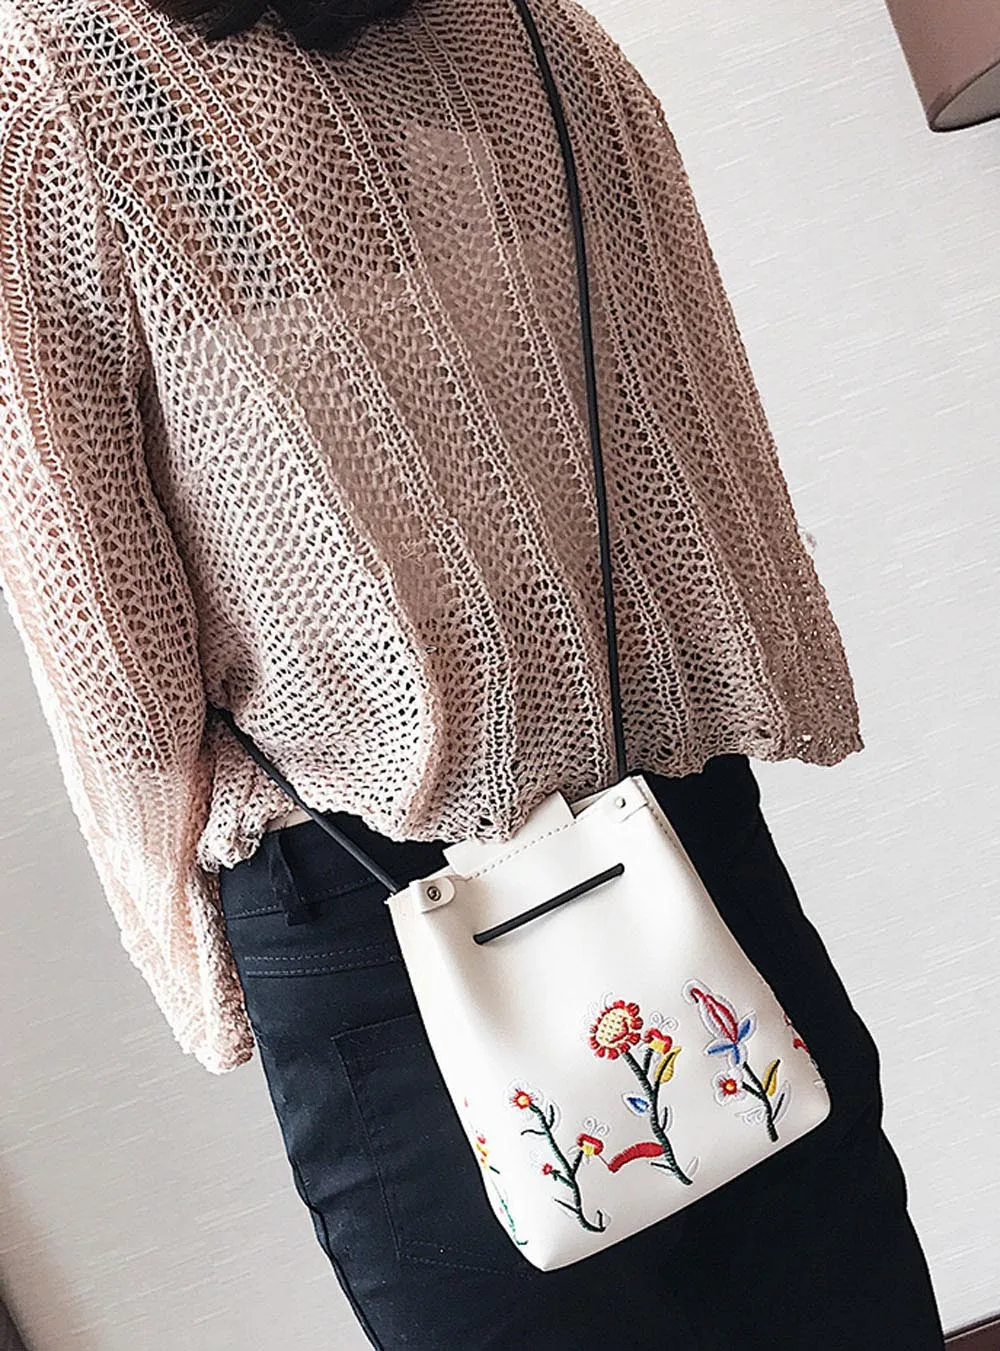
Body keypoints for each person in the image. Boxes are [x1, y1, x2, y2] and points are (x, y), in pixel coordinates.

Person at [0, 0, 946, 1344]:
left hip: (364, 895)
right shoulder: (539, 29)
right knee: (832, 1300)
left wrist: (187, 943)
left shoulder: (45, 99)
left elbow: (112, 654)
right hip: (668, 832)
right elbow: (693, 427)